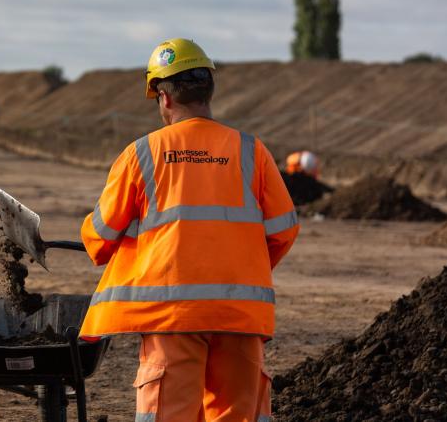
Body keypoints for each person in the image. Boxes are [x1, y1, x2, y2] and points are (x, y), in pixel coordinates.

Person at [79, 38, 299, 421]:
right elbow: (283, 231)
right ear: (208, 91)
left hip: (171, 315)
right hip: (240, 313)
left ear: (164, 98)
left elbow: (101, 233)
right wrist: (239, 270)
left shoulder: (142, 153)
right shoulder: (251, 150)